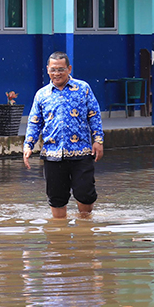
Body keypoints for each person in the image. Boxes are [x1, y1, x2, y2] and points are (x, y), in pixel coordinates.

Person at [23, 51, 104, 219]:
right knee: (56, 197)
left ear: (69, 69)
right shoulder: (42, 94)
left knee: (85, 193)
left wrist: (98, 140)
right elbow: (34, 121)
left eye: (61, 69)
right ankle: (58, 236)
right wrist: (28, 145)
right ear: (47, 70)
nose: (57, 73)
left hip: (81, 151)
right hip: (53, 153)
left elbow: (94, 115)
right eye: (53, 69)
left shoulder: (83, 89)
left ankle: (85, 228)